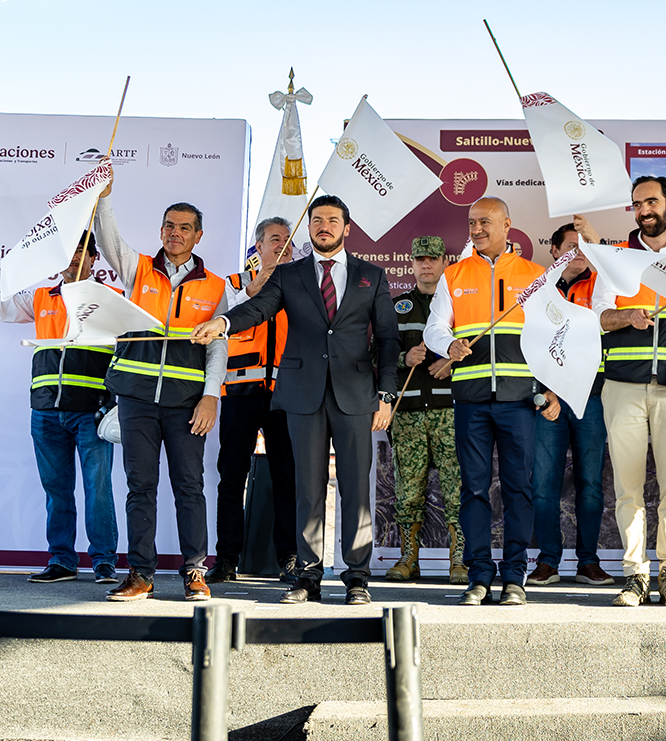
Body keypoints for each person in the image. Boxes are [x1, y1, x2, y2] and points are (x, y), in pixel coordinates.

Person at [193, 194, 401, 606]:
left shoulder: (371, 275)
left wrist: (386, 394)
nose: (324, 226)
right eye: (317, 219)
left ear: (347, 227)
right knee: (307, 488)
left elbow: (389, 338)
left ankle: (357, 577)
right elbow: (258, 308)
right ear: (309, 228)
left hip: (356, 395)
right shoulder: (289, 275)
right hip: (302, 395)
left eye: (333, 220)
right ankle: (308, 576)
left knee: (356, 489)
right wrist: (223, 322)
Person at [0, 239, 119, 584]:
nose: (74, 258)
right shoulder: (41, 297)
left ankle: (104, 562)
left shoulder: (111, 300)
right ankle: (62, 560)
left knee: (98, 489)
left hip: (92, 412)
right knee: (56, 490)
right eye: (69, 252)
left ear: (95, 258)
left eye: (82, 251)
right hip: (46, 411)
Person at [582, 176, 666, 607]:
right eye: (637, 203)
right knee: (627, 489)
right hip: (622, 388)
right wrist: (627, 317)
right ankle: (635, 575)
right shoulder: (617, 258)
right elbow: (599, 317)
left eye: (651, 201)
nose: (644, 210)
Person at [94, 180, 228, 602]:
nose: (175, 233)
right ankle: (140, 575)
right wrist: (103, 198)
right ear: (161, 231)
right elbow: (109, 240)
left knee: (190, 487)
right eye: (169, 226)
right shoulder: (138, 269)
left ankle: (195, 572)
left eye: (185, 228)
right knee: (140, 487)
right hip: (136, 398)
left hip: (187, 403)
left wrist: (211, 396)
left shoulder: (215, 286)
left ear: (198, 236)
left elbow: (218, 347)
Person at [424, 197, 545, 607]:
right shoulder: (454, 274)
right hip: (471, 401)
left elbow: (553, 337)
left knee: (518, 489)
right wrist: (448, 345)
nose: (476, 229)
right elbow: (434, 328)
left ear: (507, 224)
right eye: (472, 222)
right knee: (473, 490)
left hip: (519, 401)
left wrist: (548, 391)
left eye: (485, 222)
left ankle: (514, 577)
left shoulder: (534, 276)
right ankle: (478, 576)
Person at [205, 217, 299, 585]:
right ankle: (226, 559)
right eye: (275, 239)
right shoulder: (232, 284)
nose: (283, 245)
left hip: (285, 397)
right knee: (231, 478)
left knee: (287, 478)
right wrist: (254, 288)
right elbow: (220, 322)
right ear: (258, 246)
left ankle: (289, 558)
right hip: (240, 394)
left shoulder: (300, 286)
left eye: (288, 240)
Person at [528, 224, 615, 588]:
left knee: (590, 485)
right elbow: (528, 344)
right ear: (553, 250)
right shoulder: (538, 288)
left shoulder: (602, 286)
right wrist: (543, 391)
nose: (577, 253)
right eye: (570, 247)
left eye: (583, 247)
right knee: (543, 485)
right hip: (549, 399)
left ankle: (588, 562)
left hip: (591, 397)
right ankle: (548, 561)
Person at [386, 235, 466, 585]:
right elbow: (375, 354)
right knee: (408, 489)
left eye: (433, 258)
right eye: (420, 259)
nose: (427, 265)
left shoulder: (459, 304)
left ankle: (459, 559)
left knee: (457, 486)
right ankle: (408, 558)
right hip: (408, 412)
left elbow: (481, 348)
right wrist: (404, 358)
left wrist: (452, 361)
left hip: (451, 409)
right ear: (412, 263)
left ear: (445, 262)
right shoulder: (396, 306)